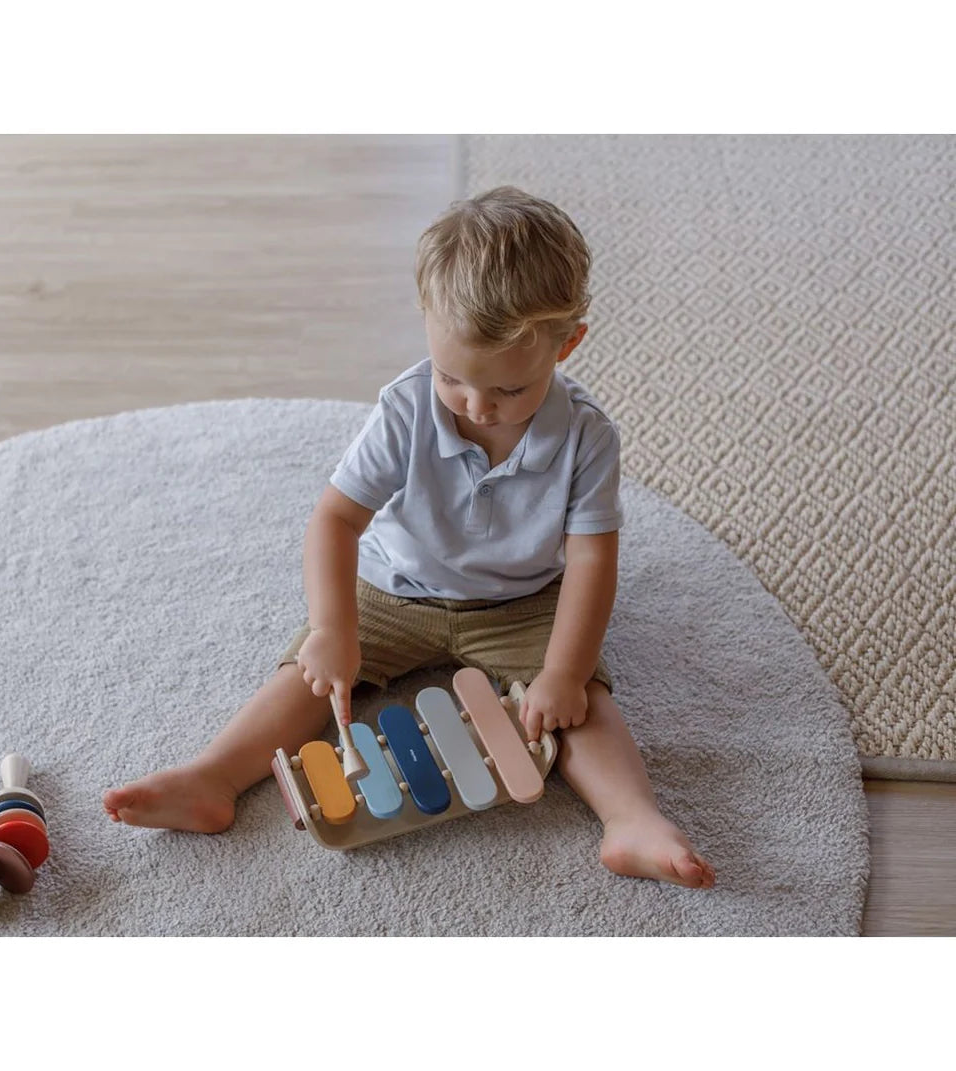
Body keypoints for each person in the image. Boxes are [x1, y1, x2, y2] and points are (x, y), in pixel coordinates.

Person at [103, 186, 715, 889]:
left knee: (581, 706)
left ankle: (630, 818)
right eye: (453, 378)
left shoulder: (586, 437)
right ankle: (211, 777)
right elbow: (335, 519)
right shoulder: (405, 408)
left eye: (509, 391)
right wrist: (333, 629)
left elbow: (590, 560)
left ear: (567, 342)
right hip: (398, 586)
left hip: (522, 603)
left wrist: (564, 672)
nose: (477, 406)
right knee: (306, 673)